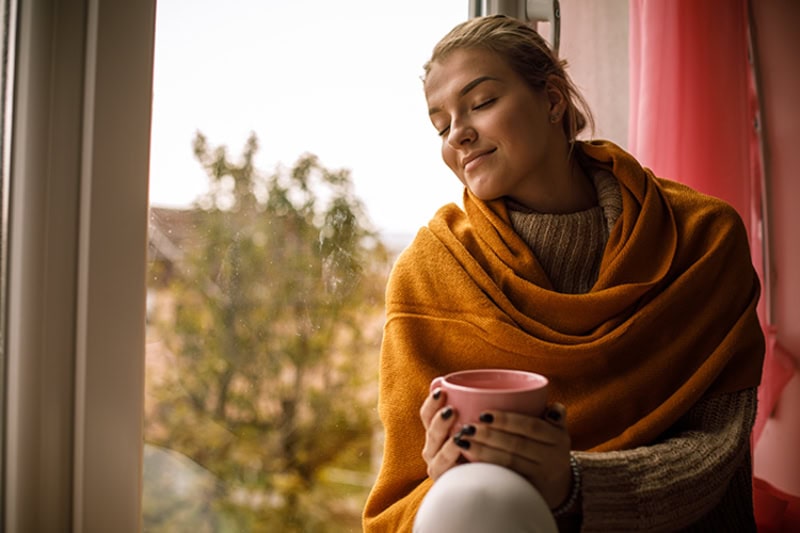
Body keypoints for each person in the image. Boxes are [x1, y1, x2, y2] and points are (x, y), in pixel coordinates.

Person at [362, 14, 764, 533]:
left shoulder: (705, 238)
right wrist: (445, 475)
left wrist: (573, 483)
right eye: (441, 125)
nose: (458, 134)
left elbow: (718, 450)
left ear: (552, 101)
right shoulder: (427, 272)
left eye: (481, 103)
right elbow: (407, 489)